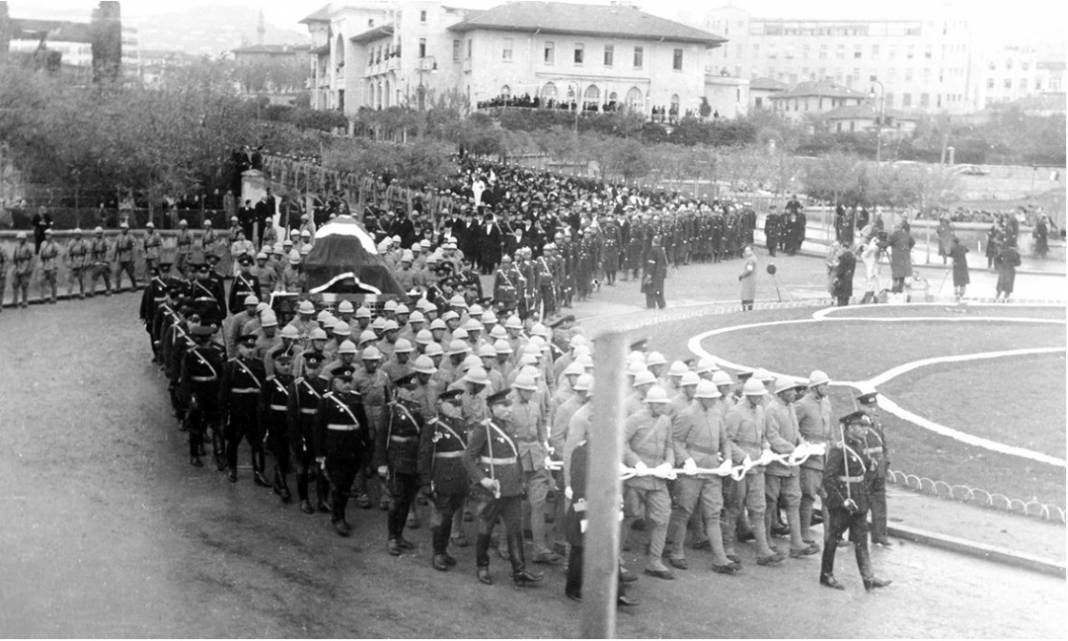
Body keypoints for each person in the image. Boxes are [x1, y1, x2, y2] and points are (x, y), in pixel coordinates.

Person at [463, 388, 544, 587]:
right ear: (492, 408)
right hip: (493, 488)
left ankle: (519, 570)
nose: (509, 409)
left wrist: (521, 481)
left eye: (509, 405)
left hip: (512, 489)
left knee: (515, 529)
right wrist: (482, 480)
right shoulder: (484, 429)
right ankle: (482, 567)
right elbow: (467, 458)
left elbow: (515, 458)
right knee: (485, 528)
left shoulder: (509, 427)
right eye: (503, 406)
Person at [665, 380, 738, 574]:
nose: (715, 401)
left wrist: (728, 460)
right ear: (702, 398)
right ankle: (676, 552)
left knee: (713, 512)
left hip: (712, 469)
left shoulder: (716, 414)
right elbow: (676, 440)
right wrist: (686, 460)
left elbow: (725, 441)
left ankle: (720, 558)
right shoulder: (686, 415)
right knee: (684, 510)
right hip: (692, 470)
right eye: (711, 398)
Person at [563, 431, 638, 606]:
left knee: (609, 548)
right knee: (579, 550)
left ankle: (617, 592)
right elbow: (579, 487)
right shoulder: (582, 452)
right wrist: (585, 514)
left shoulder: (606, 451)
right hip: (584, 508)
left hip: (603, 506)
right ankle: (573, 588)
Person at [819, 411, 891, 592]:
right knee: (833, 539)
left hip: (859, 502)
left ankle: (868, 577)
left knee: (861, 540)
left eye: (866, 426)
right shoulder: (839, 449)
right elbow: (828, 478)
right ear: (850, 428)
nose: (865, 430)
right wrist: (843, 501)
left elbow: (863, 473)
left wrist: (872, 467)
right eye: (861, 426)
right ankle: (826, 574)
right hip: (844, 503)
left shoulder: (859, 446)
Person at [621, 385, 676, 579]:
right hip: (636, 478)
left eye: (664, 404)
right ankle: (616, 560)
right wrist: (635, 462)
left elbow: (670, 446)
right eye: (659, 404)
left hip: (657, 479)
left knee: (663, 517)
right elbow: (621, 442)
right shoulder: (635, 419)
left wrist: (669, 464)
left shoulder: (666, 421)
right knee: (628, 518)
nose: (663, 407)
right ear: (650, 404)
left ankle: (655, 561)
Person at [315, 365, 372, 537]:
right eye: (343, 381)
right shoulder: (326, 400)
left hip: (353, 449)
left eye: (349, 381)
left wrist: (365, 447)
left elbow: (362, 426)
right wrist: (320, 454)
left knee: (347, 485)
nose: (347, 385)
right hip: (335, 450)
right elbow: (318, 429)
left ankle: (340, 514)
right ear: (334, 382)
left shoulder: (356, 398)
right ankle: (338, 518)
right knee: (338, 485)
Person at [418, 389, 470, 571]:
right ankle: (438, 553)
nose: (456, 408)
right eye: (452, 404)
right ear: (441, 405)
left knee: (449, 515)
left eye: (458, 405)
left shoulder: (461, 424)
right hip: (442, 477)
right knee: (442, 517)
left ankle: (444, 550)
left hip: (459, 478)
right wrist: (425, 482)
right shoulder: (434, 425)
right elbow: (425, 455)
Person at [375, 373, 425, 556]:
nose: (412, 393)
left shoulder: (416, 409)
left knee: (406, 500)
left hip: (412, 461)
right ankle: (392, 538)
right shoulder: (391, 410)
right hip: (396, 460)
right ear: (398, 390)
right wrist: (381, 463)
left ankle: (400, 534)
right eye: (408, 389)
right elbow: (381, 438)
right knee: (396, 500)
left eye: (413, 389)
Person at [219, 333, 269, 485]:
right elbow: (224, 390)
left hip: (254, 409)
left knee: (257, 442)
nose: (250, 350)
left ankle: (258, 472)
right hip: (237, 409)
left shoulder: (260, 365)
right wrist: (224, 412)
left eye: (252, 347)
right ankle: (232, 469)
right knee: (233, 441)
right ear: (239, 348)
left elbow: (263, 389)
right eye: (246, 347)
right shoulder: (232, 366)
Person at [287, 351, 331, 514]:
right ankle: (304, 500)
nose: (312, 371)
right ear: (305, 367)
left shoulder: (325, 385)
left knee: (322, 466)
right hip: (304, 430)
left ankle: (323, 499)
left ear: (320, 368)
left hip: (320, 432)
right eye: (309, 367)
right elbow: (292, 414)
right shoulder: (297, 386)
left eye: (315, 367)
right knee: (302, 467)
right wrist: (296, 437)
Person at [180, 324, 225, 468]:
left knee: (217, 426)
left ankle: (219, 455)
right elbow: (186, 377)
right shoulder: (190, 354)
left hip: (213, 391)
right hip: (198, 392)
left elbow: (223, 375)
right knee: (196, 425)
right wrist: (189, 397)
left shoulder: (219, 351)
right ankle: (194, 454)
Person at [857, 389, 892, 547]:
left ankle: (880, 535)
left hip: (879, 468)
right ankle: (857, 534)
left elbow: (883, 444)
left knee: (879, 502)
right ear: (862, 407)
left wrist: (886, 463)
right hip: (864, 469)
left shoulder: (877, 422)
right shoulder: (856, 423)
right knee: (861, 504)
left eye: (874, 407)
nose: (873, 410)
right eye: (870, 407)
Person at [881, 220, 914, 294]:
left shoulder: (895, 235)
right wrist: (908, 249)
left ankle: (895, 291)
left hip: (897, 259)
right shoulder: (907, 234)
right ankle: (900, 291)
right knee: (902, 276)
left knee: (895, 275)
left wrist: (879, 243)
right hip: (905, 258)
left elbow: (886, 243)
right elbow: (913, 242)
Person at [641, 235, 668, 310]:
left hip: (653, 274)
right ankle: (662, 305)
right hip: (660, 274)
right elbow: (665, 263)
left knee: (650, 291)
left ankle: (651, 306)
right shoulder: (661, 250)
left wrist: (648, 275)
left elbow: (651, 264)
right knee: (659, 291)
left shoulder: (652, 251)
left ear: (653, 242)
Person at [12, 232, 34, 308]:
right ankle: (15, 301)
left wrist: (29, 269)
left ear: (24, 239)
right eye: (19, 238)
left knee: (24, 286)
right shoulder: (17, 246)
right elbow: (14, 257)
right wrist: (15, 266)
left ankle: (24, 301)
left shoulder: (28, 247)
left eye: (21, 238)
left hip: (25, 265)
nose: (19, 240)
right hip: (18, 266)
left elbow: (31, 258)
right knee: (15, 284)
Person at [66, 229, 90, 299]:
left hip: (81, 261)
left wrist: (86, 262)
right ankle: (69, 293)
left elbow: (88, 253)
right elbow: (68, 253)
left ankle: (82, 293)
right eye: (75, 234)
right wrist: (69, 262)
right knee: (70, 279)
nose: (77, 235)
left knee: (81, 279)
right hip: (74, 262)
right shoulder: (71, 243)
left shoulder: (84, 243)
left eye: (78, 234)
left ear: (81, 235)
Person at [114, 223, 138, 292]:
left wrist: (133, 259)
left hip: (128, 258)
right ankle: (118, 287)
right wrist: (114, 256)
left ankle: (134, 285)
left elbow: (134, 249)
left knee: (131, 273)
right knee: (117, 272)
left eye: (124, 228)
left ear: (127, 229)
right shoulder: (118, 237)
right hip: (121, 258)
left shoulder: (131, 237)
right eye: (122, 228)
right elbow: (116, 247)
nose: (123, 230)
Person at [38, 229, 60, 304]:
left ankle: (53, 297)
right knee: (42, 281)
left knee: (53, 282)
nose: (47, 236)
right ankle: (42, 298)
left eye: (48, 234)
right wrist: (40, 263)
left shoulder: (55, 244)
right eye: (46, 234)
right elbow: (40, 253)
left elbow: (58, 255)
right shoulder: (43, 243)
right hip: (44, 264)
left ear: (52, 236)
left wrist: (55, 266)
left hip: (52, 264)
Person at [948, 237, 970, 302]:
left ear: (954, 243)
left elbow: (949, 254)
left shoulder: (953, 248)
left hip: (956, 265)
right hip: (963, 265)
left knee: (956, 279)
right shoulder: (963, 247)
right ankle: (962, 294)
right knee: (963, 280)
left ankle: (957, 293)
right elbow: (968, 250)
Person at [738, 245, 757, 311]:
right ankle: (747, 309)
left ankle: (746, 310)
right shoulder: (751, 258)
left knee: (747, 296)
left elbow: (749, 270)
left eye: (749, 250)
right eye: (746, 251)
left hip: (748, 280)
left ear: (752, 251)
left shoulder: (751, 260)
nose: (747, 252)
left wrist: (741, 275)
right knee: (748, 296)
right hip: (749, 280)